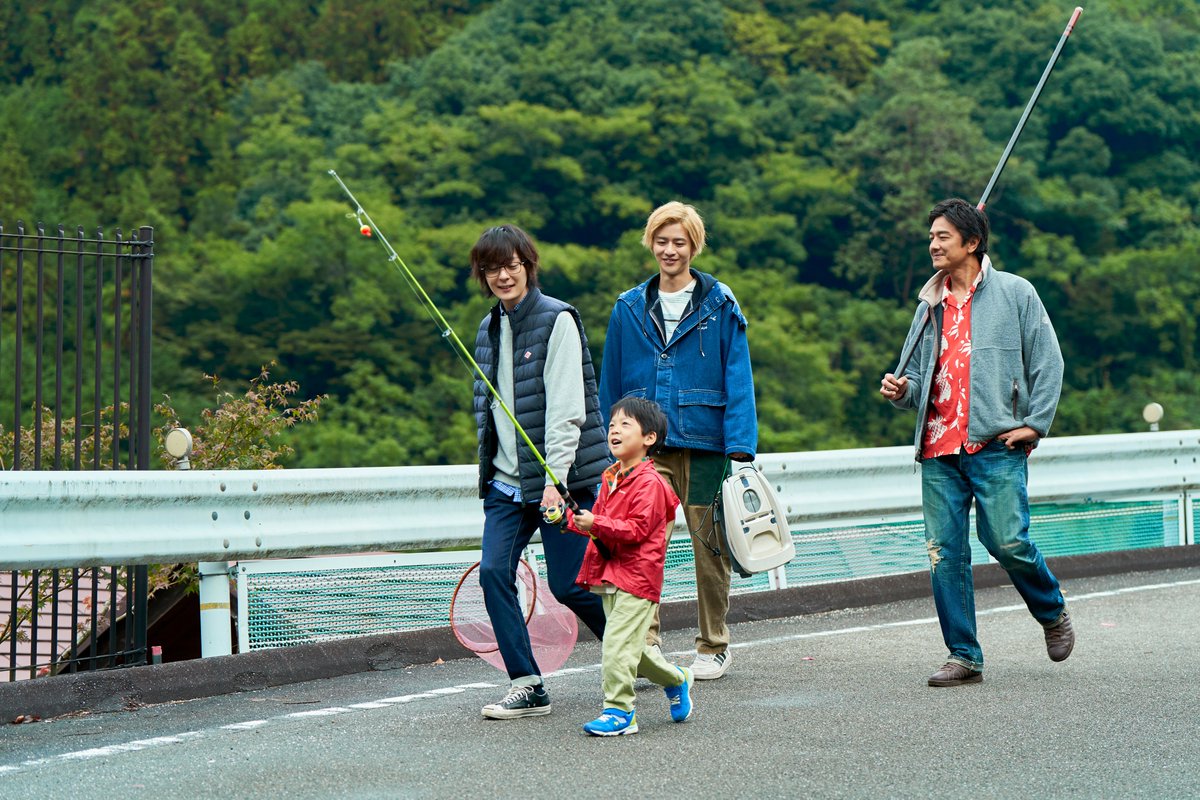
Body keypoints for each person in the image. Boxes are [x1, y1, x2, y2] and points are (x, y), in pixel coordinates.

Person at [880, 198, 1075, 687]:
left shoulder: (1016, 292)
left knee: (1007, 541)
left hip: (996, 442)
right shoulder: (929, 305)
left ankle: (1050, 610)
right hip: (938, 445)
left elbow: (1048, 361)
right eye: (931, 237)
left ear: (972, 242)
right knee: (944, 553)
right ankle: (963, 655)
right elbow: (918, 378)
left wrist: (1037, 422)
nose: (933, 244)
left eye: (943, 236)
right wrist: (903, 392)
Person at [598, 201, 757, 680]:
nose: (670, 250)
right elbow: (611, 380)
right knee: (641, 548)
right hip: (647, 448)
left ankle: (713, 645)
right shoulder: (628, 307)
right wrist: (612, 441)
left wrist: (741, 450)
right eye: (662, 241)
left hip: (708, 442)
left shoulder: (719, 302)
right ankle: (644, 648)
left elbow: (738, 377)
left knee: (710, 547)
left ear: (694, 247)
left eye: (680, 242)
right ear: (651, 243)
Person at [469, 224, 609, 719]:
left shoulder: (557, 320)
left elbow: (569, 410)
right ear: (483, 276)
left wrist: (555, 480)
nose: (503, 276)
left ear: (528, 266)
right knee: (493, 573)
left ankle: (632, 649)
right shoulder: (487, 332)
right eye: (492, 269)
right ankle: (528, 684)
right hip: (507, 483)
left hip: (559, 480)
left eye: (511, 265)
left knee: (571, 585)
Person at [565, 397, 692, 736]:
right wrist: (566, 520)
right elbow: (598, 522)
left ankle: (620, 712)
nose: (614, 431)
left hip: (638, 575)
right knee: (632, 648)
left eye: (625, 425)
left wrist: (595, 523)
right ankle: (677, 679)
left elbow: (636, 531)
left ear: (649, 438)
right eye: (612, 426)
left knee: (616, 644)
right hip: (610, 572)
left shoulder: (651, 483)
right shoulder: (611, 477)